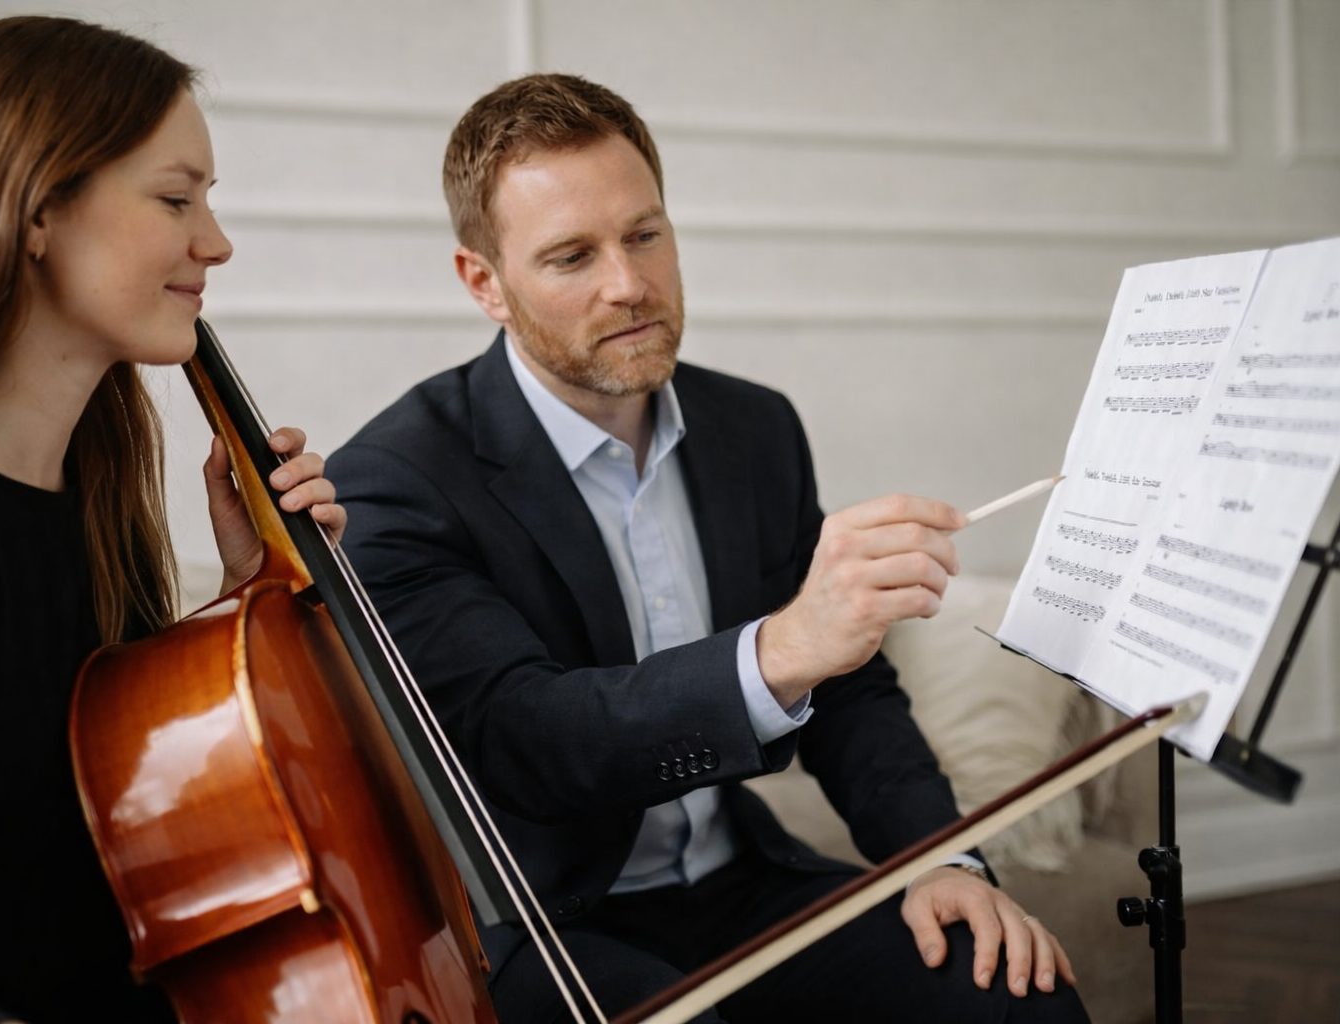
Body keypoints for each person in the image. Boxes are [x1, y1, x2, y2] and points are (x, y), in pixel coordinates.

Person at [325, 73, 1090, 1023]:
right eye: (572, 256)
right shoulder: (391, 480)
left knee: (1018, 999)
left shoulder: (756, 428)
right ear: (484, 282)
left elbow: (848, 688)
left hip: (737, 883)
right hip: (543, 924)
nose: (630, 283)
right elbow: (526, 738)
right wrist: (780, 651)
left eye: (645, 234)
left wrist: (939, 857)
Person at [0, 17, 346, 1024]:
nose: (215, 243)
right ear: (36, 210)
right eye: (176, 198)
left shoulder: (97, 499)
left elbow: (141, 855)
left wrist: (253, 612)